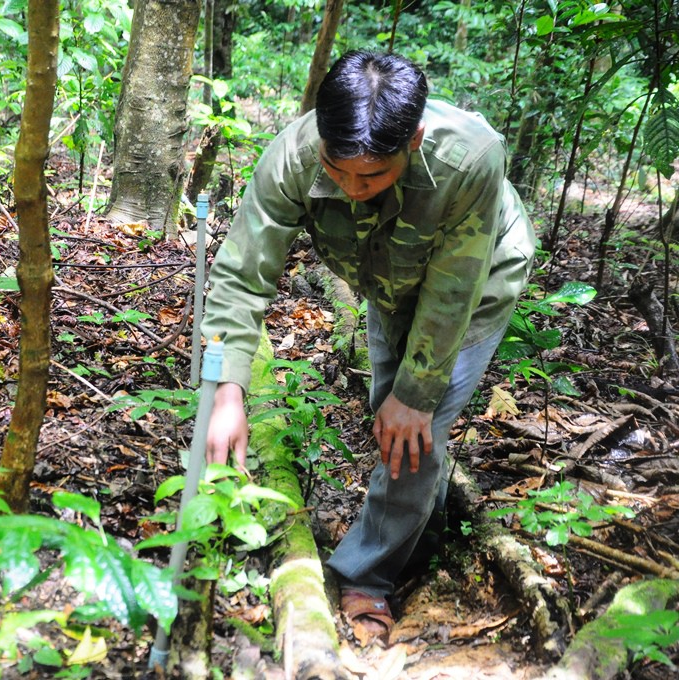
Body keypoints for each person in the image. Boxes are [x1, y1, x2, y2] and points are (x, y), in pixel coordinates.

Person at [200, 50, 536, 645]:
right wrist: (229, 387)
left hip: (477, 283)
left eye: (372, 176)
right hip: (385, 281)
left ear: (415, 139)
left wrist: (417, 393)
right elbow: (240, 272)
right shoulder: (295, 154)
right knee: (392, 409)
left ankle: (369, 574)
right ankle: (421, 535)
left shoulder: (471, 158)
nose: (352, 189)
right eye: (337, 169)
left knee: (412, 427)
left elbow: (453, 288)